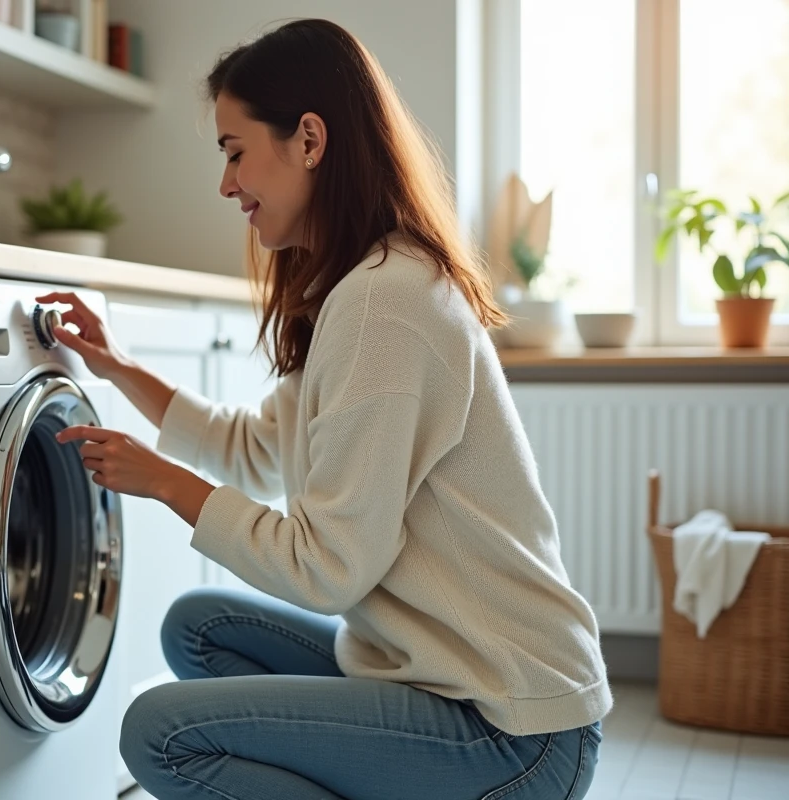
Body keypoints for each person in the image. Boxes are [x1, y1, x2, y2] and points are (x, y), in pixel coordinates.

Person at [39, 17, 610, 800]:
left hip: (512, 733)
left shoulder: (385, 303)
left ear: (309, 140)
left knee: (158, 734)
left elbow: (327, 569)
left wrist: (167, 483)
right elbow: (256, 452)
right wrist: (120, 367)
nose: (226, 184)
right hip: (444, 679)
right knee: (197, 627)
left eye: (236, 153)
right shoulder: (360, 287)